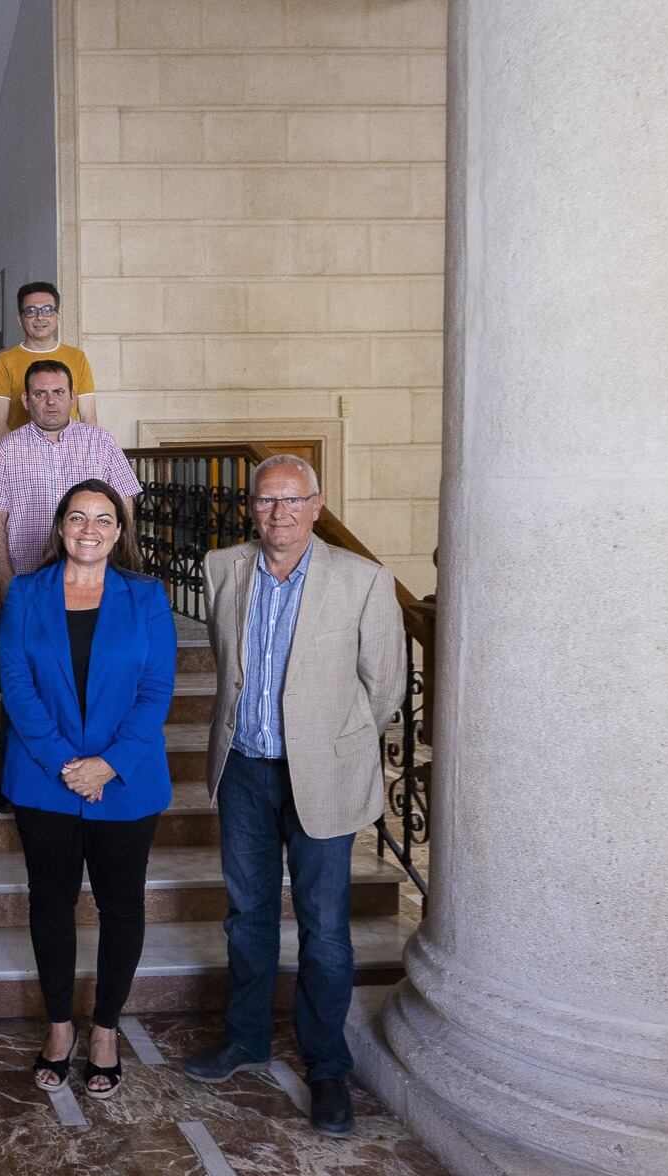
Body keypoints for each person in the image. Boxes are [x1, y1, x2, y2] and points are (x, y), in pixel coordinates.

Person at [183, 453, 405, 1139]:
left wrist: (328, 738)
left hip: (324, 777)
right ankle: (246, 1037)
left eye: (291, 501)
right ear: (251, 508)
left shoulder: (363, 580)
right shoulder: (224, 568)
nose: (277, 514)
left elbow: (386, 688)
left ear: (316, 504)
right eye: (265, 502)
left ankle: (327, 1065)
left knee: (325, 928)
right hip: (246, 769)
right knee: (247, 914)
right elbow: (231, 665)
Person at [0, 481, 175, 1100]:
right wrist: (67, 763)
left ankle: (104, 1030)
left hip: (125, 783)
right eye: (78, 517)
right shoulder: (25, 593)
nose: (90, 528)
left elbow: (156, 692)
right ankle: (58, 1028)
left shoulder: (148, 598)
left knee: (121, 906)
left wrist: (106, 765)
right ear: (60, 527)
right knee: (50, 904)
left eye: (104, 519)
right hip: (45, 781)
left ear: (119, 532)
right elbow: (16, 685)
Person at [0, 359, 142, 593]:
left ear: (73, 397)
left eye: (59, 392)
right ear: (25, 400)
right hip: (29, 578)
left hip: (95, 576)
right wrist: (5, 579)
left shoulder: (102, 442)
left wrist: (117, 563)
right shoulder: (5, 450)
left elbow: (124, 506)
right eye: (40, 393)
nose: (51, 401)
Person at [0, 280, 98, 442]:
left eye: (47, 310)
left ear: (57, 316)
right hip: (23, 455)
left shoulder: (77, 357)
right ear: (20, 319)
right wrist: (27, 455)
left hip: (69, 455)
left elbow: (89, 419)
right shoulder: (5, 361)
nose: (40, 317)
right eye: (31, 311)